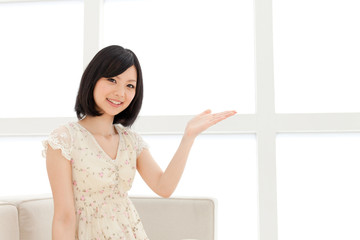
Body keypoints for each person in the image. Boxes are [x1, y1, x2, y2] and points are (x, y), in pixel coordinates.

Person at [43, 45, 236, 240]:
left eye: (130, 85)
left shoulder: (130, 141)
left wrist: (189, 137)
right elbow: (64, 217)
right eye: (112, 80)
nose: (120, 92)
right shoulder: (65, 140)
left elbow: (164, 187)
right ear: (93, 79)